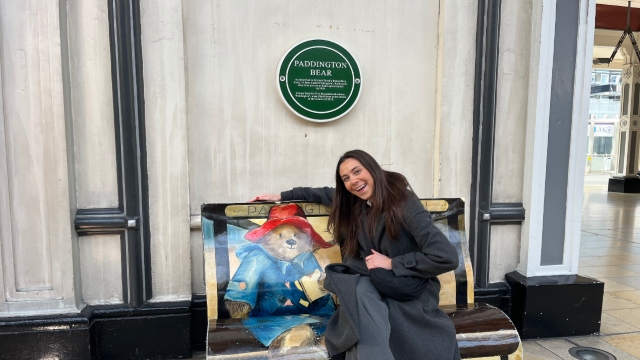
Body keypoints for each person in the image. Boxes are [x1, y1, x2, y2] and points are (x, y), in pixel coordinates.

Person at [249, 149, 461, 360]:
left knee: (361, 307)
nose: (354, 181)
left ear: (373, 169)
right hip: (375, 280)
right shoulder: (355, 201)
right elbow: (322, 193)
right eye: (346, 178)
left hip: (408, 287)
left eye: (357, 171)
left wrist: (393, 263)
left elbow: (446, 256)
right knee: (357, 291)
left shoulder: (404, 203)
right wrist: (282, 196)